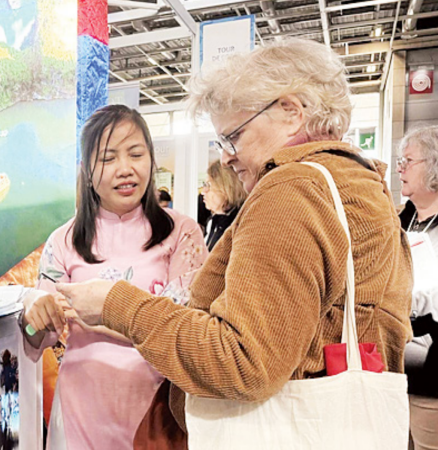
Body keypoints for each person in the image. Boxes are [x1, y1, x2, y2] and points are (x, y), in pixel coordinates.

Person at [56, 39, 412, 446]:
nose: (226, 157)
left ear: (291, 111)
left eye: (234, 136)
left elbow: (243, 360)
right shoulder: (356, 179)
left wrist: (115, 304)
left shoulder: (293, 190)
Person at [20, 104, 206, 449]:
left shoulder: (182, 233)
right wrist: (33, 309)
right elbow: (38, 338)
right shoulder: (63, 240)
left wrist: (99, 313)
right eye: (107, 158)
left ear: (151, 159)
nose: (125, 169)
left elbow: (184, 325)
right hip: (80, 414)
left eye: (136, 154)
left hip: (158, 413)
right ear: (86, 171)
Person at [396, 126, 438, 450]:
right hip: (397, 369)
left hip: (432, 376)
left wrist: (403, 300)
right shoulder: (400, 220)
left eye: (408, 160)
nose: (400, 168)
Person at [202, 160, 246, 250]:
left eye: (208, 185)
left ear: (226, 187)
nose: (203, 192)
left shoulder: (239, 224)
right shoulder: (215, 221)